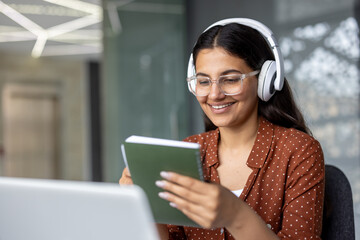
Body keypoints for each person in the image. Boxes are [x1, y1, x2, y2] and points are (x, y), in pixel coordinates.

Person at [120, 18, 325, 240]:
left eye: (230, 79)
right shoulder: (190, 149)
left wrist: (234, 214)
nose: (215, 94)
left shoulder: (298, 151)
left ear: (265, 80)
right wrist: (148, 207)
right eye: (204, 81)